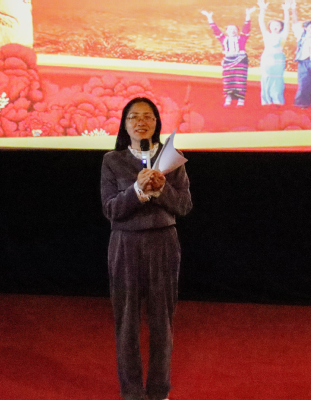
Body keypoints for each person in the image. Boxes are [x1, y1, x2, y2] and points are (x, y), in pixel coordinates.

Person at [100, 97, 193, 400]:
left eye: (148, 116)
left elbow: (184, 206)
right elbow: (111, 209)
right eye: (134, 117)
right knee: (127, 321)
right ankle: (132, 393)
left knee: (162, 321)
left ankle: (159, 391)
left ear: (156, 122)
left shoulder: (173, 159)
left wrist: (161, 187)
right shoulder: (112, 160)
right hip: (125, 244)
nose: (141, 122)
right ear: (125, 124)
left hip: (163, 242)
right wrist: (137, 190)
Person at [202, 7, 257, 107]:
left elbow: (246, 28)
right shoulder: (223, 39)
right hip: (228, 60)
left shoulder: (242, 38)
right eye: (230, 29)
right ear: (226, 31)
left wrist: (248, 15)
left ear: (238, 31)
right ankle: (228, 98)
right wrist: (209, 17)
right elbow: (215, 30)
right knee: (228, 80)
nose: (232, 31)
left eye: (234, 29)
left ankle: (240, 99)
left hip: (240, 60)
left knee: (240, 80)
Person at [257, 0, 291, 106]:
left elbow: (287, 23)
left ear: (281, 27)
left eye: (277, 25)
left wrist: (286, 11)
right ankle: (266, 100)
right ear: (270, 26)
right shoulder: (266, 34)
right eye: (273, 25)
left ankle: (277, 98)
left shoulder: (283, 35)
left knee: (277, 78)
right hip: (267, 58)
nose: (275, 26)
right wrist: (262, 9)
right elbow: (261, 22)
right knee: (266, 77)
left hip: (278, 59)